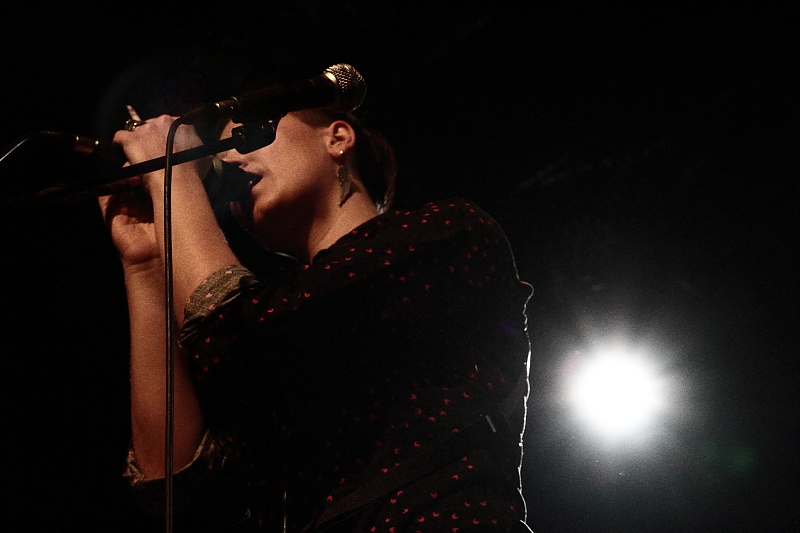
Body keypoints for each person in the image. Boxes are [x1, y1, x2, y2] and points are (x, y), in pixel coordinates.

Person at [101, 105, 533, 532]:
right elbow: (179, 492)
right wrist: (147, 265)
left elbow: (249, 334)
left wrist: (175, 176)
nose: (229, 159)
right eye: (221, 153)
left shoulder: (446, 232)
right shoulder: (281, 316)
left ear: (337, 138)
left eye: (249, 134)